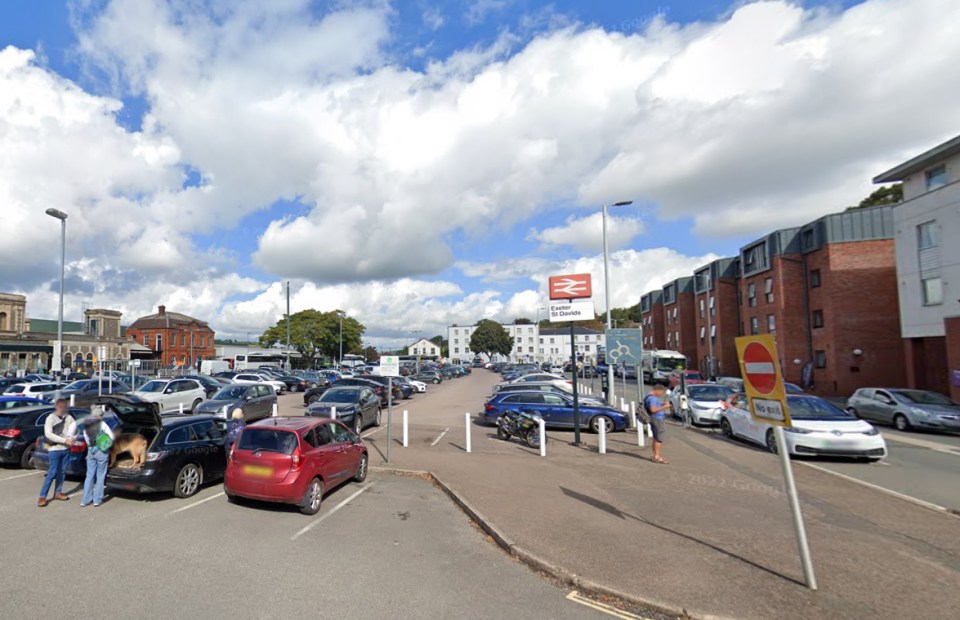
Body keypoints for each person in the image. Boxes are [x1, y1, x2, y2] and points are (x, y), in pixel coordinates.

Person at [38, 399, 76, 507]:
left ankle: (58, 492)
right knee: (52, 472)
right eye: (60, 407)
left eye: (64, 407)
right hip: (54, 449)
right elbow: (48, 434)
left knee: (62, 472)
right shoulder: (51, 418)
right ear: (57, 407)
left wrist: (72, 439)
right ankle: (42, 496)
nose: (62, 409)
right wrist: (64, 440)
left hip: (66, 449)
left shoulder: (68, 417)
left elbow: (75, 429)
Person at [79, 413, 114, 507]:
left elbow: (86, 438)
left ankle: (85, 500)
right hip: (101, 451)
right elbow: (111, 436)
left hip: (90, 450)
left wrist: (91, 447)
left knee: (89, 475)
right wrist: (106, 444)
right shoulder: (102, 424)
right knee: (100, 475)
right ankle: (97, 500)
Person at [644, 384, 672, 465]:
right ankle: (657, 457)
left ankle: (655, 455)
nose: (661, 395)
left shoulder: (648, 397)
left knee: (656, 438)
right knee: (659, 439)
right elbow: (653, 410)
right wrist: (665, 407)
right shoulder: (652, 398)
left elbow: (654, 408)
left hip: (655, 419)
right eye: (661, 393)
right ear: (658, 390)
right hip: (657, 419)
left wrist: (661, 405)